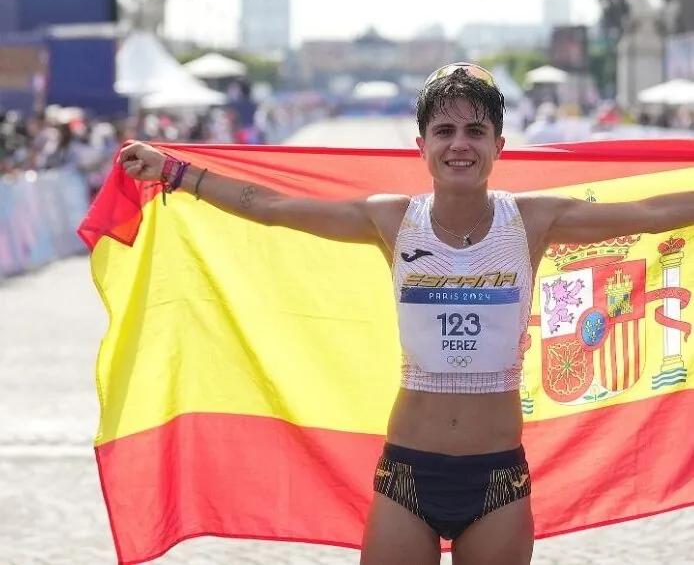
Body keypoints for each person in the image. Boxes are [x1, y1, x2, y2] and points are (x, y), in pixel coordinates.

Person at [119, 63, 694, 565]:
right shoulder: (392, 220)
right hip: (406, 476)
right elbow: (271, 208)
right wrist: (177, 174)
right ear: (420, 145)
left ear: (500, 144)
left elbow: (648, 213)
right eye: (444, 131)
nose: (459, 144)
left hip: (497, 477)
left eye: (476, 130)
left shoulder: (533, 221)